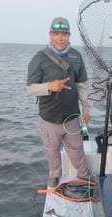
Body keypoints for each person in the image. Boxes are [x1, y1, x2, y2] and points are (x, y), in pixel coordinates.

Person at [26, 17, 91, 188]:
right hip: (49, 118)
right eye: (56, 34)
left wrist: (86, 108)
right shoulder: (39, 58)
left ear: (69, 35)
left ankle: (84, 177)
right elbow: (30, 89)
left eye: (64, 34)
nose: (60, 38)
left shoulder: (76, 56)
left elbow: (82, 85)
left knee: (77, 150)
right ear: (50, 34)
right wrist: (49, 86)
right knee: (52, 151)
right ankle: (55, 177)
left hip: (72, 116)